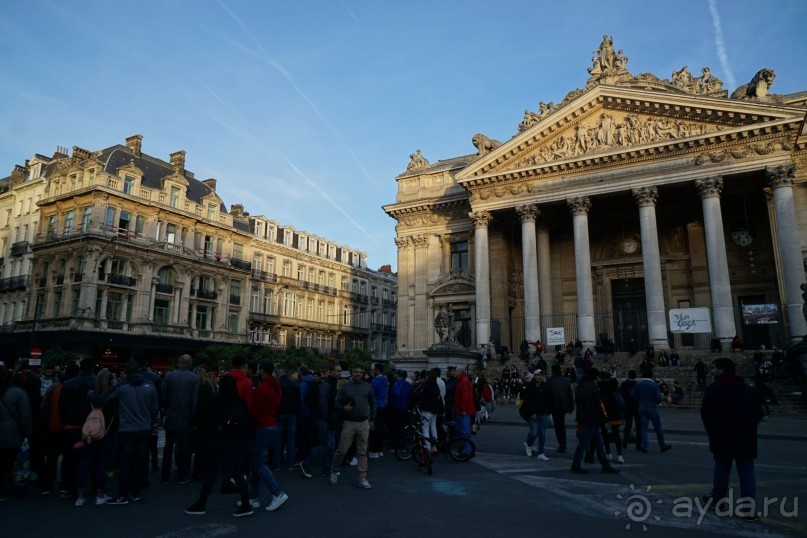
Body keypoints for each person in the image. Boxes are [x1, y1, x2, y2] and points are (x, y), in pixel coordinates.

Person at [701, 358, 764, 522]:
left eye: (714, 368)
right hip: (746, 437)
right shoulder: (749, 390)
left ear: (722, 370)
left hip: (723, 436)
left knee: (722, 468)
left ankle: (718, 500)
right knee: (747, 471)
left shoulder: (714, 389)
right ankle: (748, 510)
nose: (713, 371)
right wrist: (748, 428)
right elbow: (759, 414)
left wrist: (713, 431)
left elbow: (706, 415)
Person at [185, 375, 255, 517]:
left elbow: (205, 420)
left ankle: (201, 503)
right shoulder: (239, 401)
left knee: (210, 473)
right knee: (236, 473)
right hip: (234, 441)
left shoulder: (215, 400)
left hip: (216, 440)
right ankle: (246, 503)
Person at [96, 360, 159, 505]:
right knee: (140, 461)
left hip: (126, 429)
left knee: (125, 462)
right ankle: (136, 491)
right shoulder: (150, 386)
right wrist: (148, 421)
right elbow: (155, 408)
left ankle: (122, 494)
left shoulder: (122, 387)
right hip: (144, 428)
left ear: (126, 372)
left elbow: (104, 399)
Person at [248, 360, 288, 512]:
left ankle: (277, 492)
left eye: (258, 368)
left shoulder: (263, 387)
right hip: (271, 424)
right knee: (256, 463)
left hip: (262, 425)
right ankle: (253, 497)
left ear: (262, 370)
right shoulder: (275, 386)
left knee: (258, 463)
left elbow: (255, 409)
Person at [75, 368, 118, 506]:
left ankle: (80, 496)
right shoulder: (113, 397)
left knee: (85, 462)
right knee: (102, 463)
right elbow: (116, 416)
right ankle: (100, 494)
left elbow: (83, 414)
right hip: (106, 432)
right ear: (111, 381)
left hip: (89, 433)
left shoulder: (89, 396)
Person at [329, 365, 376, 489]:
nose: (358, 374)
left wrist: (372, 420)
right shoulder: (345, 387)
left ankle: (362, 477)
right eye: (356, 371)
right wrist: (344, 408)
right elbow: (336, 403)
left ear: (363, 373)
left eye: (360, 372)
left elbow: (373, 403)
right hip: (349, 423)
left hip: (364, 423)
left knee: (362, 452)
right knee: (341, 450)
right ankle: (334, 470)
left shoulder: (367, 387)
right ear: (352, 372)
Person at [570, 369, 619, 475]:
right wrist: (604, 419)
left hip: (584, 417)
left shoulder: (581, 386)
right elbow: (597, 405)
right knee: (584, 443)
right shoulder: (592, 387)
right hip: (591, 419)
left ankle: (605, 465)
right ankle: (576, 464)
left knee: (598, 443)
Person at [160, 354, 199, 485]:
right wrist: (193, 418)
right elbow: (194, 401)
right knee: (184, 448)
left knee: (168, 447)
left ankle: (165, 475)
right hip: (186, 417)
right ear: (190, 363)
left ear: (179, 362)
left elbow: (163, 395)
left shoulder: (169, 376)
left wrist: (167, 409)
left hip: (171, 415)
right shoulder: (194, 378)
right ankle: (182, 475)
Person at [0, 368, 32, 501]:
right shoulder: (18, 393)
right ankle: (4, 489)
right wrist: (27, 433)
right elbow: (25, 415)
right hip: (11, 432)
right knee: (7, 462)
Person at [631, 370, 672, 454]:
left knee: (644, 428)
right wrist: (655, 402)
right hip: (652, 408)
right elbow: (659, 397)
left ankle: (645, 445)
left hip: (642, 407)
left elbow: (632, 394)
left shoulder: (639, 384)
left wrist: (639, 400)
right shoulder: (654, 385)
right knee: (658, 428)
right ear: (651, 376)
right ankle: (662, 445)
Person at [519, 369, 551, 461]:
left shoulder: (545, 386)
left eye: (542, 375)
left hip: (543, 413)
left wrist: (548, 411)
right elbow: (527, 401)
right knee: (534, 432)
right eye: (538, 375)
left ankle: (541, 453)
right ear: (535, 376)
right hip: (533, 414)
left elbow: (548, 399)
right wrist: (531, 412)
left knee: (542, 434)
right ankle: (528, 444)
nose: (540, 377)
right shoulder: (530, 386)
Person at [546, 364, 574, 453]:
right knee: (561, 425)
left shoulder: (550, 381)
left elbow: (547, 395)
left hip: (555, 406)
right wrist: (571, 406)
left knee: (558, 426)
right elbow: (570, 394)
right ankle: (563, 443)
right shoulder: (565, 380)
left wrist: (547, 408)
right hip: (564, 406)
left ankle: (562, 444)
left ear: (553, 371)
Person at [276, 368, 300, 470]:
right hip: (292, 414)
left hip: (280, 413)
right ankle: (290, 464)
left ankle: (276, 464)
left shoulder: (277, 384)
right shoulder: (294, 384)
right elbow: (299, 399)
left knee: (277, 440)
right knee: (291, 440)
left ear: (277, 375)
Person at [368, 363, 388, 458]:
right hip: (383, 405)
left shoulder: (375, 381)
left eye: (373, 369)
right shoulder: (384, 380)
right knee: (380, 429)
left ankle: (374, 450)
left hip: (376, 406)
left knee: (374, 429)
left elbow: (370, 393)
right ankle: (380, 450)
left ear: (377, 370)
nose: (372, 371)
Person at [620, 371, 642, 451]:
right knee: (638, 426)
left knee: (627, 426)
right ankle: (638, 444)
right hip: (636, 407)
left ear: (628, 375)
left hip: (627, 407)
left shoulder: (623, 384)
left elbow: (621, 396)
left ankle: (624, 443)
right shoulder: (638, 385)